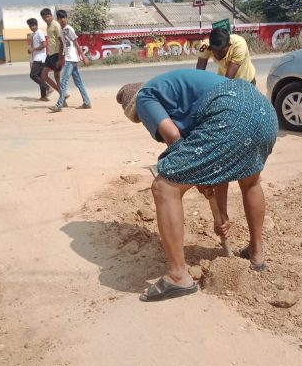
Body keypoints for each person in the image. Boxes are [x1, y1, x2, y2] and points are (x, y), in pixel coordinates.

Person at [116, 69, 278, 302]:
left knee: (164, 186)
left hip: (229, 113)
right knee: (251, 182)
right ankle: (256, 253)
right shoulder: (176, 90)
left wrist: (198, 179)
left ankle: (178, 277)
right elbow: (216, 163)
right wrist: (220, 215)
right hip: (262, 110)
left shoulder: (144, 97)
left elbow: (173, 138)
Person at [49, 10, 91, 112]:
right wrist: (60, 58)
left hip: (71, 59)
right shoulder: (62, 31)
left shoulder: (68, 29)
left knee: (63, 82)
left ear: (66, 18)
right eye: (60, 18)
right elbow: (63, 45)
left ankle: (59, 105)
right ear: (57, 19)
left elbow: (76, 43)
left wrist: (83, 57)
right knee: (78, 82)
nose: (62, 20)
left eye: (64, 17)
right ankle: (87, 102)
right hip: (69, 58)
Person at [39, 8, 64, 97]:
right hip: (50, 54)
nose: (46, 19)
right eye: (44, 17)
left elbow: (61, 41)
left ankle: (62, 97)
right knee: (43, 75)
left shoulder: (56, 25)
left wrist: (60, 58)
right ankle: (61, 93)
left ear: (51, 16)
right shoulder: (48, 26)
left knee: (57, 77)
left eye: (48, 16)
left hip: (57, 54)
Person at [26, 18, 50, 101]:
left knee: (33, 75)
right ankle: (43, 97)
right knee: (40, 77)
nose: (32, 27)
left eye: (33, 25)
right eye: (30, 26)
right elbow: (33, 46)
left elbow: (44, 45)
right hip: (36, 57)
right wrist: (30, 50)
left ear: (36, 25)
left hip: (40, 58)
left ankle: (48, 88)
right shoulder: (33, 34)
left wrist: (33, 49)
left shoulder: (39, 33)